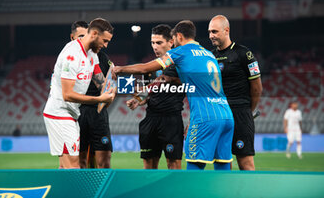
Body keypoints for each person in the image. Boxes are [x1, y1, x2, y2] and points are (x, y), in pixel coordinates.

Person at [114, 20, 234, 171]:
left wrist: (120, 69)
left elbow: (145, 68)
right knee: (223, 168)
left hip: (204, 117)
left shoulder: (180, 52)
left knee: (193, 168)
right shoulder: (209, 54)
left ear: (177, 36)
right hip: (226, 114)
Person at [43, 18, 115, 169]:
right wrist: (99, 98)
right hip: (59, 113)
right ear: (94, 33)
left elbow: (100, 81)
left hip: (71, 114)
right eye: (105, 40)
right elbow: (67, 95)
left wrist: (109, 88)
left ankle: (60, 192)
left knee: (65, 167)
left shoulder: (92, 54)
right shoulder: (72, 55)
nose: (106, 45)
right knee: (74, 166)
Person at [126, 24, 185, 169]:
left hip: (172, 120)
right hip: (151, 119)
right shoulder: (150, 68)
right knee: (149, 168)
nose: (155, 46)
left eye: (159, 43)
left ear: (171, 42)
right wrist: (138, 100)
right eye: (153, 43)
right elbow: (148, 95)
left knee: (174, 166)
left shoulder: (180, 64)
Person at [210, 15, 263, 171]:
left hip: (240, 113)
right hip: (218, 114)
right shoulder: (210, 56)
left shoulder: (244, 54)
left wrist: (247, 110)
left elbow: (257, 88)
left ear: (226, 30)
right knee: (221, 162)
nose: (211, 35)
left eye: (214, 31)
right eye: (209, 32)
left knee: (245, 162)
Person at [76, 25, 114, 169]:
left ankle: (104, 190)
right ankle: (84, 190)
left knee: (104, 161)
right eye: (79, 36)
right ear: (73, 37)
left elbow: (110, 83)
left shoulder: (102, 57)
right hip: (78, 112)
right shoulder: (71, 55)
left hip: (98, 113)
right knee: (80, 161)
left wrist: (109, 96)